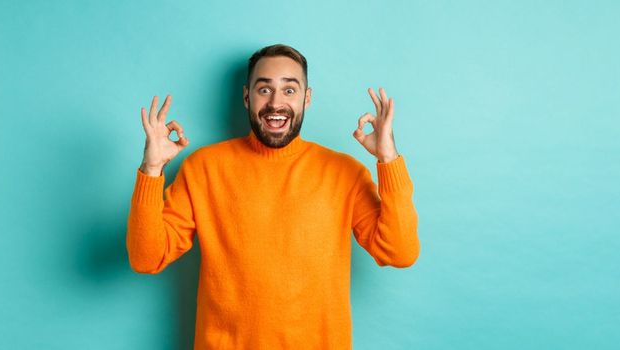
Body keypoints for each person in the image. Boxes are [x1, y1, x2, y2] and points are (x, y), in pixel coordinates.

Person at [127, 44, 419, 349]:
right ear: (246, 97)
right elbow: (146, 258)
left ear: (307, 98)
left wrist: (388, 158)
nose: (276, 103)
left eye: (289, 90)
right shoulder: (203, 168)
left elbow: (399, 252)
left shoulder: (344, 173)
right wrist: (152, 169)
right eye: (264, 89)